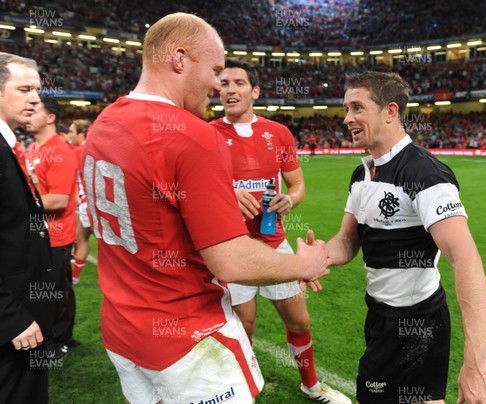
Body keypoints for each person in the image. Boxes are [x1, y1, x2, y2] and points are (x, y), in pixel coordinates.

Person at [81, 13, 329, 404]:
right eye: (215, 70)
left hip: (123, 332)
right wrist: (307, 264)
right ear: (180, 59)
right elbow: (230, 262)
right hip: (187, 338)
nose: (217, 84)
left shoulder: (103, 124)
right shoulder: (194, 135)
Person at [321, 72, 486, 404]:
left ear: (390, 111)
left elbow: (466, 259)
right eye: (346, 108)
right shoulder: (361, 173)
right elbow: (348, 240)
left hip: (418, 322)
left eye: (357, 107)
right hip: (379, 316)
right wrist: (320, 256)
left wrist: (478, 362)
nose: (347, 118)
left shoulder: (425, 174)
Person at [211, 59, 351, 404]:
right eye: (224, 83)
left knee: (300, 321)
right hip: (233, 248)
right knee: (244, 327)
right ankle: (243, 387)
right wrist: (227, 193)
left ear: (254, 92)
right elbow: (193, 189)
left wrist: (290, 199)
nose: (230, 89)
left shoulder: (278, 133)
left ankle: (312, 385)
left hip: (275, 245)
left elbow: (298, 185)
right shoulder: (208, 134)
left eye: (238, 83)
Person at [0, 53, 63, 403]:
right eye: (24, 89)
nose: (36, 98)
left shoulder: (10, 142)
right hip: (13, 321)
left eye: (37, 89)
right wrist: (8, 316)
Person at [25, 96, 79, 359]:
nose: (28, 113)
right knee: (44, 291)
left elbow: (59, 199)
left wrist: (20, 205)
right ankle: (53, 335)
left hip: (56, 237)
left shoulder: (59, 151)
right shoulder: (33, 148)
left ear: (50, 118)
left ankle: (60, 340)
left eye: (35, 110)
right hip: (37, 235)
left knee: (57, 291)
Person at [67, 119, 93, 284]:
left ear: (81, 133)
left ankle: (74, 277)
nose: (70, 135)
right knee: (81, 238)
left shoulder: (77, 152)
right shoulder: (95, 148)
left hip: (87, 204)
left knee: (83, 239)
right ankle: (74, 276)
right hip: (96, 203)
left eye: (71, 131)